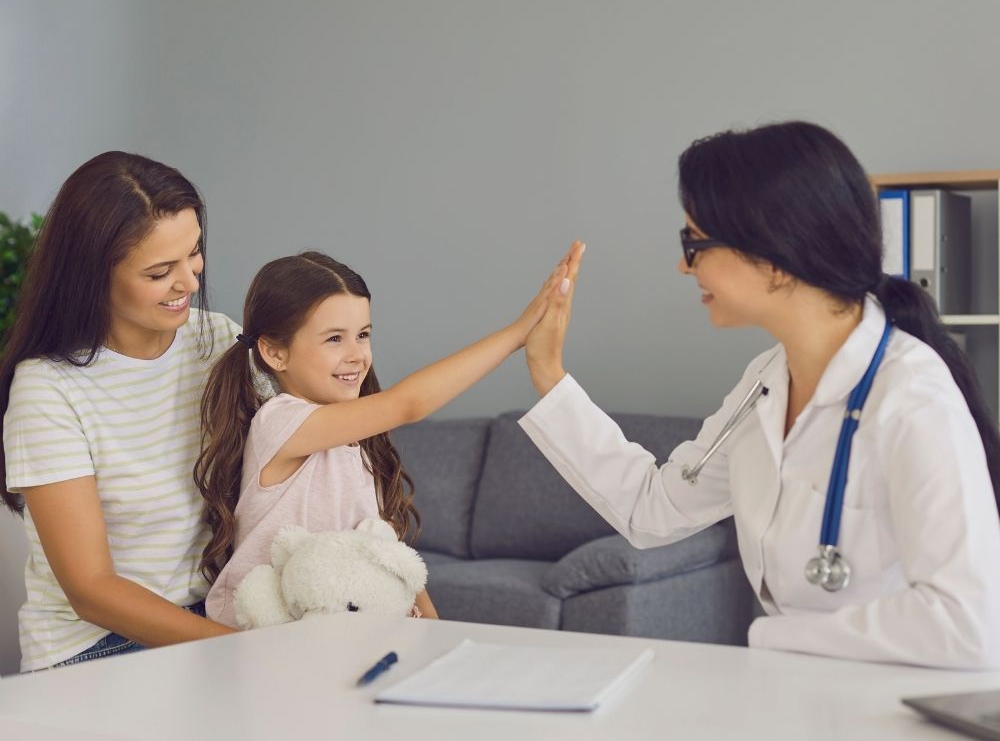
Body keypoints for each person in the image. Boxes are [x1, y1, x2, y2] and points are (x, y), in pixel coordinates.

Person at [520, 121, 1000, 669]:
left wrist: (775, 638)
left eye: (694, 243)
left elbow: (969, 626)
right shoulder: (766, 382)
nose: (684, 265)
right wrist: (548, 372)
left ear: (773, 257)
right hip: (796, 693)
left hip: (890, 709)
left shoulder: (912, 397)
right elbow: (653, 509)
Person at [197, 247, 579, 628]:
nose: (357, 354)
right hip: (270, 642)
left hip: (345, 634)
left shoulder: (355, 441)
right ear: (274, 353)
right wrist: (517, 334)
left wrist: (434, 629)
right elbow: (408, 404)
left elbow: (384, 549)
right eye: (334, 339)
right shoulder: (279, 423)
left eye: (362, 335)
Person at [1, 152, 242, 671]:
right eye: (160, 272)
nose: (191, 283)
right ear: (92, 276)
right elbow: (92, 590)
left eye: (194, 253)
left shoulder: (218, 340)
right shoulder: (48, 390)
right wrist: (240, 649)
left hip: (211, 619)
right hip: (96, 647)